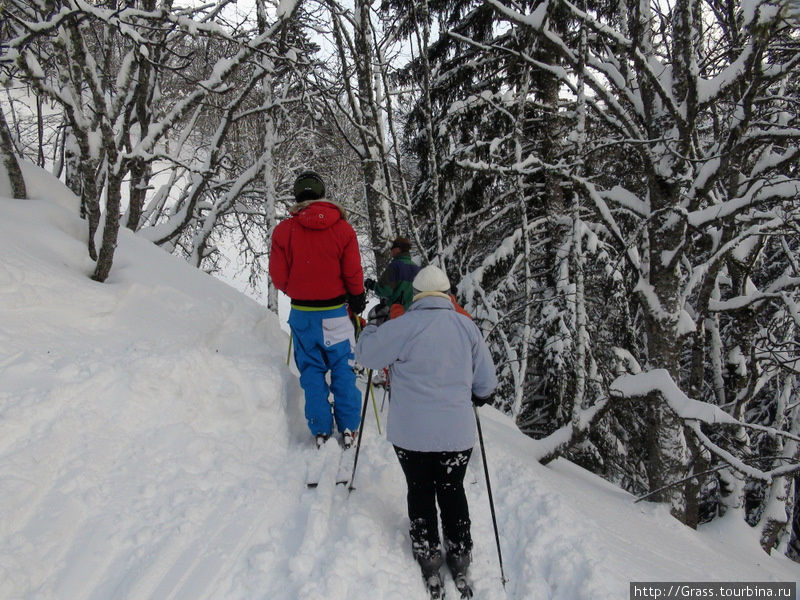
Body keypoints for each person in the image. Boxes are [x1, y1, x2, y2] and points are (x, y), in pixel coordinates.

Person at [355, 264, 498, 593]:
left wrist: (374, 327)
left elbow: (367, 356)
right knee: (452, 489)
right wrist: (476, 394)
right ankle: (460, 556)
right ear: (447, 294)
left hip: (412, 436)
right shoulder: (466, 328)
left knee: (419, 488)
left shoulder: (403, 326)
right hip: (455, 436)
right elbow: (486, 385)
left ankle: (428, 555)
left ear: (416, 296)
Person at [269, 170, 367, 449]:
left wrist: (296, 289)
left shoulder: (284, 231)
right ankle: (348, 427)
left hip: (302, 315)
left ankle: (321, 429)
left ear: (297, 196)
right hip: (335, 312)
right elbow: (352, 271)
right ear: (322, 195)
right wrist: (357, 297)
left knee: (311, 372)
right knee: (343, 370)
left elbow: (278, 276)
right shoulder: (343, 229)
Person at [364, 236, 421, 319]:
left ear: (399, 249)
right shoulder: (416, 268)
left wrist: (373, 285)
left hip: (397, 313)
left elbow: (385, 290)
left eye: (393, 247)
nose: (391, 250)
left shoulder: (394, 266)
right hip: (414, 314)